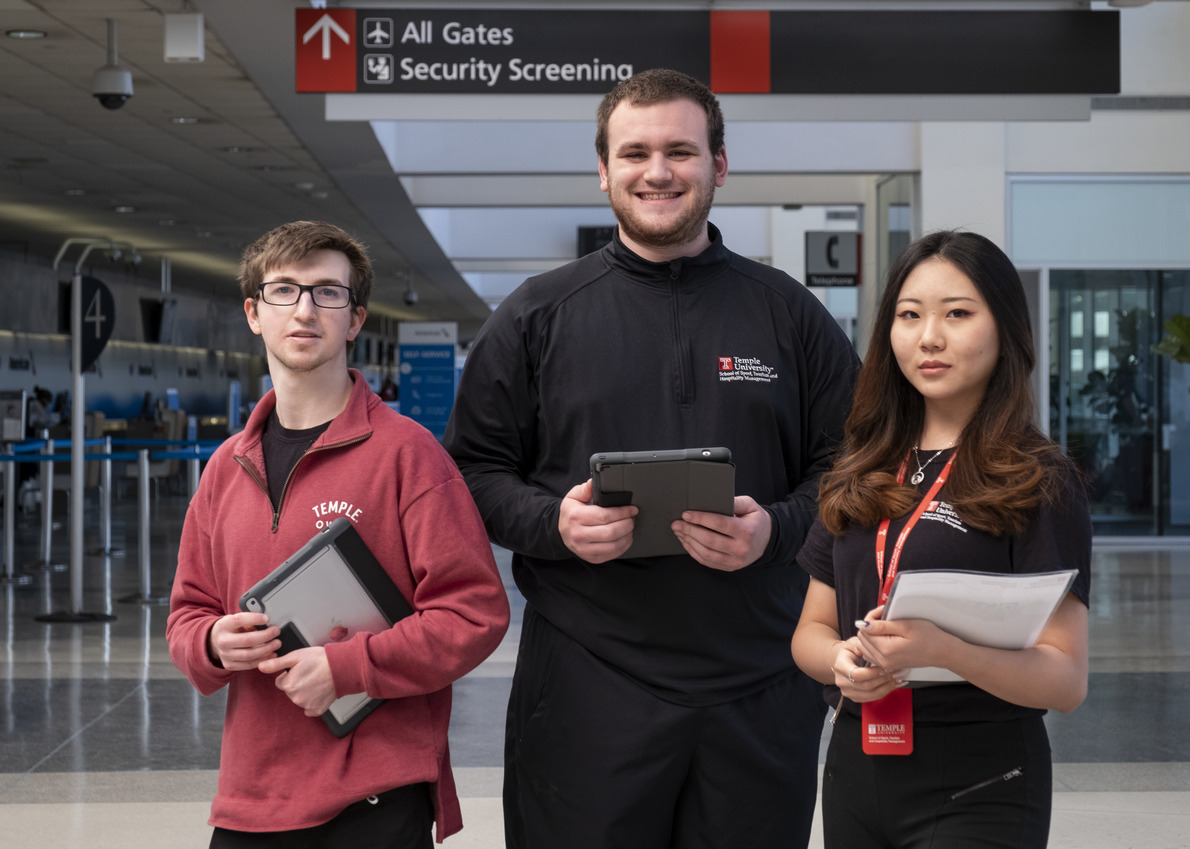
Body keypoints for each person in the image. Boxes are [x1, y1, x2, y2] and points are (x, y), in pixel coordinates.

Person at [443, 68, 860, 849]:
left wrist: (774, 529)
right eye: (634, 152)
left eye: (680, 150)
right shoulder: (537, 313)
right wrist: (551, 522)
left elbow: (852, 467)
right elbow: (467, 471)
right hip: (586, 684)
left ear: (719, 166)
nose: (658, 171)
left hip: (759, 683)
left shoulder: (788, 314)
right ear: (603, 170)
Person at [166, 220, 509, 848]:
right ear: (253, 313)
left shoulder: (409, 455)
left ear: (354, 320)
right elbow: (187, 616)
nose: (304, 309)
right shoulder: (224, 469)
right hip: (250, 798)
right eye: (284, 291)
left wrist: (350, 667)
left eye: (327, 293)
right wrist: (213, 643)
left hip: (373, 797)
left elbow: (474, 613)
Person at [791, 230, 1091, 849]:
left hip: (980, 777)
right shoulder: (860, 465)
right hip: (856, 762)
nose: (929, 337)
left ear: (1005, 329)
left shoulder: (1037, 476)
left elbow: (1065, 680)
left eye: (957, 313)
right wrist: (843, 664)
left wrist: (941, 650)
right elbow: (810, 633)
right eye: (909, 315)